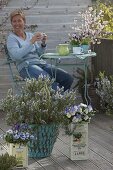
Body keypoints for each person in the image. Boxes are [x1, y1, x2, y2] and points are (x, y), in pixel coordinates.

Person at [7, 9, 73, 91]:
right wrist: (31, 42)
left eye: (19, 21)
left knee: (67, 78)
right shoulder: (11, 39)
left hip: (41, 64)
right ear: (11, 23)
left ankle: (58, 100)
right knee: (48, 81)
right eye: (14, 21)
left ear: (24, 22)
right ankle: (59, 100)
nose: (17, 24)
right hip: (26, 67)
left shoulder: (30, 35)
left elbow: (39, 54)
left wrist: (43, 43)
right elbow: (17, 55)